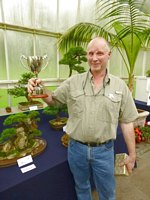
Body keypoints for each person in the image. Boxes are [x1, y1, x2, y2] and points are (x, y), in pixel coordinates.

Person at [28, 37, 138, 200]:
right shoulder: (73, 82)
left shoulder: (119, 86)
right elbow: (53, 100)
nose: (94, 58)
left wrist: (132, 154)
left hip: (104, 151)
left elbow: (127, 121)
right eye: (91, 53)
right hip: (76, 149)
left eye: (99, 53)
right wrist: (39, 87)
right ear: (87, 55)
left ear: (109, 55)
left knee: (107, 192)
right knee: (82, 187)